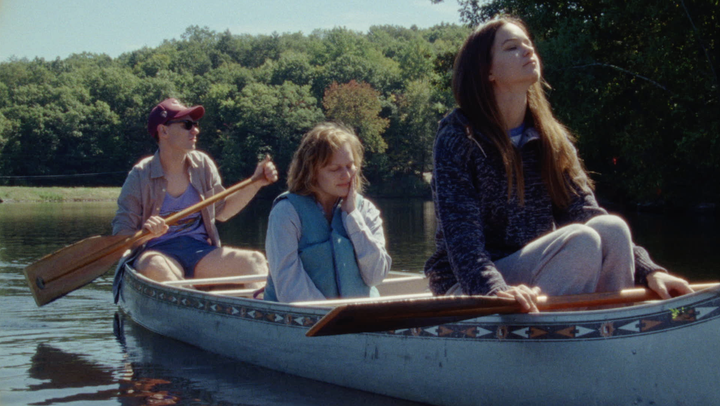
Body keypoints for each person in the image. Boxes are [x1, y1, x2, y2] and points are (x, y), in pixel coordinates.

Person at [424, 17, 692, 312]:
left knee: (611, 227)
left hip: (539, 274)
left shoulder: (551, 137)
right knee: (581, 241)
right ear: (487, 71)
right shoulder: (458, 137)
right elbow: (463, 243)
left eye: (529, 44)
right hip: (470, 286)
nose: (528, 51)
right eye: (512, 47)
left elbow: (587, 212)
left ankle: (611, 327)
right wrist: (494, 290)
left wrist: (651, 271)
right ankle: (549, 342)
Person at [111, 97, 278, 289]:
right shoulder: (140, 175)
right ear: (163, 131)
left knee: (255, 261)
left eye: (195, 124)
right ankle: (193, 301)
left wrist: (256, 183)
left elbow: (222, 211)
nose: (195, 130)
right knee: (155, 267)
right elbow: (121, 235)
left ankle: (259, 314)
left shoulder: (203, 165)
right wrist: (145, 234)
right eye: (187, 125)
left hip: (200, 251)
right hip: (156, 253)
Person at [263, 122, 391, 302]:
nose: (346, 176)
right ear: (311, 172)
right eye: (335, 169)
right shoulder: (286, 212)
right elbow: (288, 286)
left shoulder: (366, 210)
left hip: (360, 317)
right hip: (307, 320)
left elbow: (376, 275)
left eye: (350, 166)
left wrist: (353, 217)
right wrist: (331, 318)